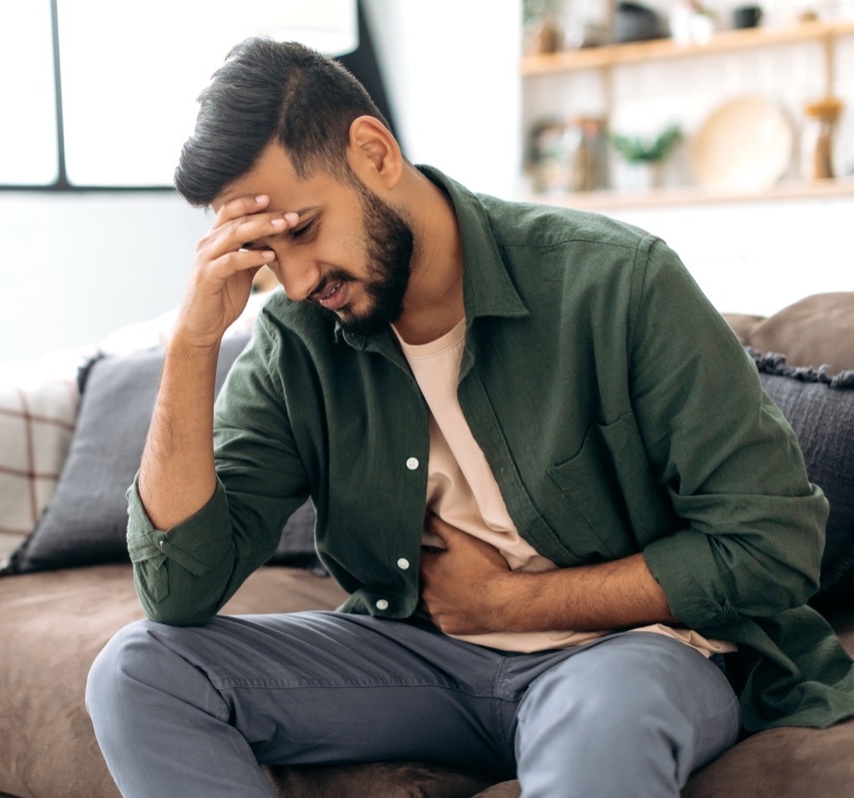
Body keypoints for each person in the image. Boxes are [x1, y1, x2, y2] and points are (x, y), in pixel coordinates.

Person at [85, 37, 854, 797]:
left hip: (632, 655)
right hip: (421, 660)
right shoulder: (299, 336)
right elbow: (178, 594)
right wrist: (194, 343)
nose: (293, 280)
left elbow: (771, 544)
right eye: (262, 252)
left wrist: (516, 604)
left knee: (602, 719)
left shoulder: (616, 282)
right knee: (141, 671)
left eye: (300, 231)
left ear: (374, 152)